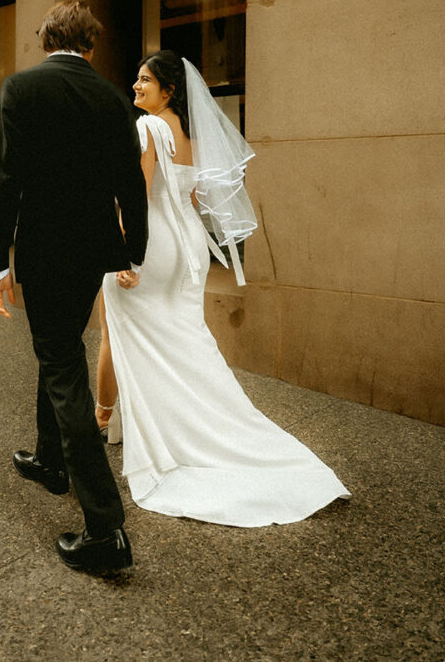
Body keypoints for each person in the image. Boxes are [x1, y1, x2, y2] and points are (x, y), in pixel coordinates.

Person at [99, 50, 351, 526]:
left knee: (123, 330)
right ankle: (174, 422)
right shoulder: (193, 135)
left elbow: (136, 196)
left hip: (150, 245)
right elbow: (192, 198)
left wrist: (125, 255)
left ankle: (120, 426)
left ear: (169, 90)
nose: (135, 86)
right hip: (189, 245)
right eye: (136, 78)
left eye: (145, 80)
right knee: (185, 337)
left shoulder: (148, 129)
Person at [0, 1, 148, 572]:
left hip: (46, 251)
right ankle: (51, 460)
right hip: (94, 252)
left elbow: (5, 178)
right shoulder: (110, 96)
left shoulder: (22, 88)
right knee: (58, 348)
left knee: (59, 363)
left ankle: (105, 527)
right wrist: (136, 250)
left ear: (47, 37)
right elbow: (131, 180)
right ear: (90, 45)